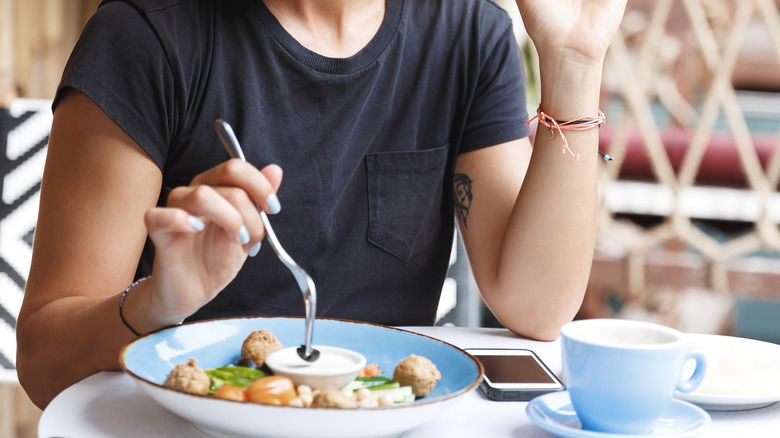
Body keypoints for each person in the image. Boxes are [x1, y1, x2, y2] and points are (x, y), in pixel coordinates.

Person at [16, 0, 627, 408]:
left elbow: (538, 307)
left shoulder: (467, 30)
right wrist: (156, 302)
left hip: (380, 415)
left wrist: (573, 64)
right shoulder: (147, 33)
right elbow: (43, 364)